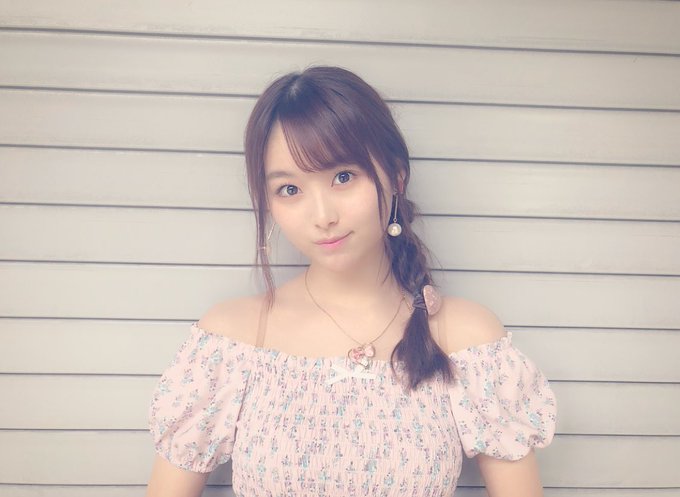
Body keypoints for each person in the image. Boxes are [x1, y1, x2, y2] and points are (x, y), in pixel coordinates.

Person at [145, 66, 557, 497]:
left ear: (396, 177)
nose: (322, 215)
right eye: (289, 190)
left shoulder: (467, 340)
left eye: (343, 177)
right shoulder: (232, 341)